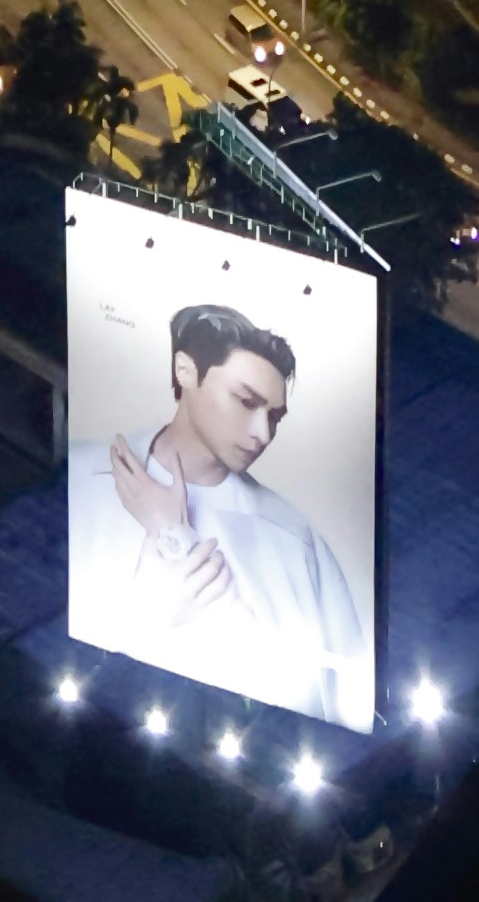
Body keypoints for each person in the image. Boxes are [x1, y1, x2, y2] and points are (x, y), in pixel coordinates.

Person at [68, 297, 368, 721]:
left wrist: (172, 534)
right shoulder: (82, 474)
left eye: (275, 417)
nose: (262, 434)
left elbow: (332, 706)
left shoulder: (294, 541)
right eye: (246, 402)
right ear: (185, 372)